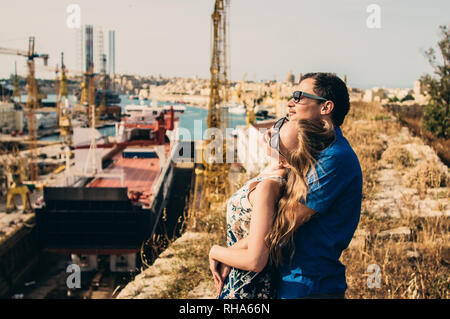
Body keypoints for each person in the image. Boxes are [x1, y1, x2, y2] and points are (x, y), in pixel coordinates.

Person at [212, 72, 363, 299]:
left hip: (308, 285)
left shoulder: (335, 157)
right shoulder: (317, 152)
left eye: (299, 96)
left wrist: (223, 253)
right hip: (293, 280)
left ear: (326, 107)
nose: (290, 102)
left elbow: (282, 221)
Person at [209, 117, 336, 299]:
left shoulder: (269, 187)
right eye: (280, 124)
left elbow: (255, 260)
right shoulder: (274, 176)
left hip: (246, 288)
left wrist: (215, 251)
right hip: (242, 279)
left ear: (284, 160)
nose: (268, 133)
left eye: (276, 138)